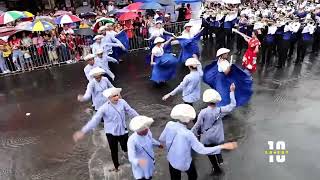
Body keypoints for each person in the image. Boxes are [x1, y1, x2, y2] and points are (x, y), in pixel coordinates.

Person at [159, 104, 238, 180]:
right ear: (189, 119)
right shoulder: (188, 134)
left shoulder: (169, 124)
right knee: (193, 176)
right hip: (185, 163)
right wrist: (222, 146)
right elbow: (202, 150)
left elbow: (162, 138)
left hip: (171, 160)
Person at [73, 87, 139, 172]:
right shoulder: (104, 108)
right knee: (114, 151)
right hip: (111, 134)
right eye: (113, 96)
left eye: (117, 95)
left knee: (126, 147)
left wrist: (140, 118)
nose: (116, 98)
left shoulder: (122, 102)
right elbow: (95, 120)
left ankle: (130, 160)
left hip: (123, 131)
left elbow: (131, 111)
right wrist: (83, 131)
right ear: (108, 98)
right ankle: (116, 167)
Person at [191, 84, 236, 175]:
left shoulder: (203, 112)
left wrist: (190, 133)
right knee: (218, 145)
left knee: (210, 152)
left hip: (207, 137)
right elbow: (233, 105)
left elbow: (197, 125)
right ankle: (220, 159)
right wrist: (232, 91)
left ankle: (216, 167)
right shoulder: (220, 110)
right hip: (218, 135)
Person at [127, 115, 163, 180]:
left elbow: (151, 139)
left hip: (150, 160)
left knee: (149, 175)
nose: (147, 130)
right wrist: (140, 162)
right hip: (141, 164)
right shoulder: (132, 140)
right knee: (142, 177)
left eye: (146, 128)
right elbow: (131, 157)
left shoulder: (148, 131)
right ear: (138, 130)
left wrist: (158, 144)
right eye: (144, 130)